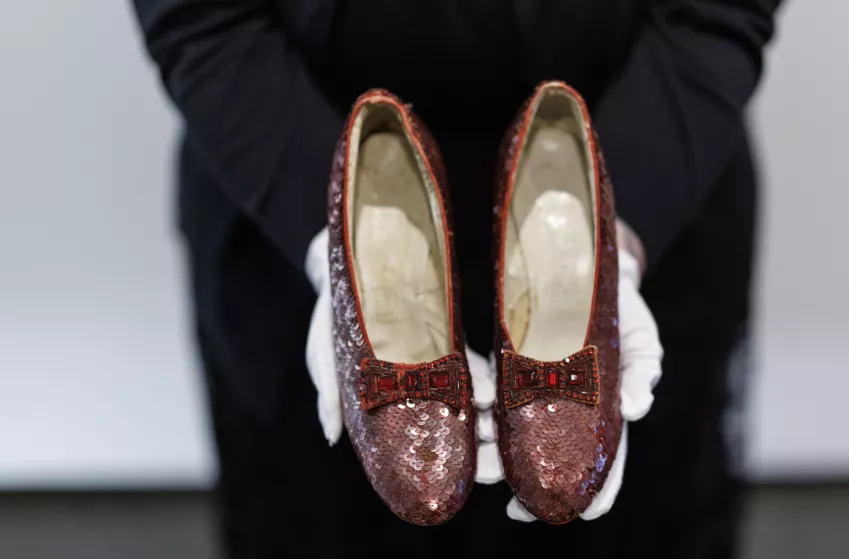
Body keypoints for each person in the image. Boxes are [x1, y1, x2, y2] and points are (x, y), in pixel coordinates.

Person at [132, 0, 782, 557]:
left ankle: (568, 184)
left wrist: (617, 227)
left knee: (638, 525)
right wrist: (330, 230)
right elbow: (198, 14)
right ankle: (374, 198)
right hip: (290, 153)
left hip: (645, 140)